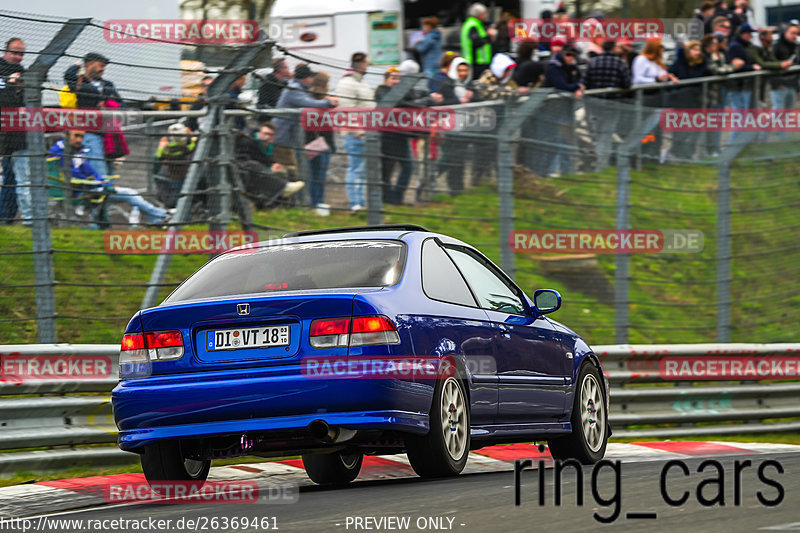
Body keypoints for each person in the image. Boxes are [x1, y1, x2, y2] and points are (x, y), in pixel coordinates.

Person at [49, 131, 170, 226]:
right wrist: (102, 185)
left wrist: (105, 184)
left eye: (82, 137)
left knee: (130, 194)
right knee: (129, 194)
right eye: (76, 136)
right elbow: (74, 175)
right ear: (67, 134)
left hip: (87, 188)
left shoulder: (76, 151)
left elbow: (89, 171)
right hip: (81, 191)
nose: (79, 140)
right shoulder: (62, 152)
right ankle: (161, 216)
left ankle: (157, 218)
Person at [273, 63, 337, 180]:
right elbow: (310, 103)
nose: (312, 80)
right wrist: (328, 102)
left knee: (292, 173)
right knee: (287, 173)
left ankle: (293, 195)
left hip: (288, 138)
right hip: (283, 138)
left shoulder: (298, 89)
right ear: (306, 78)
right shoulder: (294, 89)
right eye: (311, 77)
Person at [64, 52, 121, 179]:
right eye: (100, 65)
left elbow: (119, 101)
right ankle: (100, 189)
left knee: (110, 168)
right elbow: (68, 77)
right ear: (89, 64)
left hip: (108, 133)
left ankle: (106, 193)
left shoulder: (107, 84)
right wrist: (76, 66)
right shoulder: (80, 82)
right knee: (98, 168)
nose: (102, 69)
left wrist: (109, 105)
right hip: (89, 131)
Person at [583, 40, 632, 171]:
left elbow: (586, 82)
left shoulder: (593, 62)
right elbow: (627, 84)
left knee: (599, 133)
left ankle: (599, 160)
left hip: (596, 103)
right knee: (607, 133)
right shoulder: (620, 63)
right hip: (612, 104)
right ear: (614, 49)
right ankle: (602, 164)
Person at [334, 52, 374, 212]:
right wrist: (359, 132)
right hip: (355, 135)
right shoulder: (347, 84)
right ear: (361, 64)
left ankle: (360, 201)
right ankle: (354, 203)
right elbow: (346, 111)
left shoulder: (361, 83)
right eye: (366, 62)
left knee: (362, 170)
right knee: (355, 168)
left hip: (367, 133)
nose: (368, 65)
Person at [235, 121, 305, 209]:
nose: (267, 137)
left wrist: (274, 165)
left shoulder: (269, 146)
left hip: (261, 170)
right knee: (276, 173)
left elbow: (268, 161)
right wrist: (270, 169)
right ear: (260, 133)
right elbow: (243, 161)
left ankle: (288, 206)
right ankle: (283, 190)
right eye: (265, 134)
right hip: (249, 173)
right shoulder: (247, 142)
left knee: (289, 171)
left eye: (271, 135)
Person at [539, 44, 584, 177]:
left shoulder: (572, 67)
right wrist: (577, 86)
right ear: (563, 54)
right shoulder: (554, 67)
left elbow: (578, 79)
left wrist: (576, 87)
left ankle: (566, 172)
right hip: (550, 111)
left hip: (565, 110)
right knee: (553, 142)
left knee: (566, 141)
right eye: (568, 55)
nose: (571, 58)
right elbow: (562, 86)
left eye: (573, 56)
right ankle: (549, 172)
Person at [632, 39, 678, 162]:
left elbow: (662, 75)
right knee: (646, 128)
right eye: (661, 48)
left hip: (659, 97)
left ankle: (655, 155)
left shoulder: (657, 62)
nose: (663, 51)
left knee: (658, 128)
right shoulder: (641, 59)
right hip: (647, 97)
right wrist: (655, 80)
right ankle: (642, 155)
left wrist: (668, 77)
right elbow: (638, 79)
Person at [0, 37, 28, 225]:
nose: (18, 57)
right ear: (5, 51)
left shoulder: (24, 73)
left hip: (15, 135)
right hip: (4, 132)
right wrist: (11, 85)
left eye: (21, 53)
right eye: (15, 52)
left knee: (13, 178)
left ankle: (6, 218)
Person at [667, 41, 712, 160]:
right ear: (688, 50)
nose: (697, 52)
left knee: (694, 127)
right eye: (694, 50)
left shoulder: (703, 63)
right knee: (681, 128)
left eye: (699, 50)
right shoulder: (679, 62)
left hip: (695, 99)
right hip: (680, 99)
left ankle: (689, 153)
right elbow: (670, 72)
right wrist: (672, 77)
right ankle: (676, 152)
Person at [305, 71, 335, 209]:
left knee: (321, 175)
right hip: (316, 144)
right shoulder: (315, 102)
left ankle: (319, 202)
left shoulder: (325, 101)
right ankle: (315, 202)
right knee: (316, 175)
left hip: (325, 143)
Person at [702, 34, 734, 156]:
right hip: (709, 96)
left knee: (718, 123)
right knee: (709, 124)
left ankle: (716, 147)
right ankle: (707, 150)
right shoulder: (706, 57)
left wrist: (728, 67)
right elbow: (718, 71)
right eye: (714, 43)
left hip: (720, 94)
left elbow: (725, 68)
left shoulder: (720, 55)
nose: (716, 46)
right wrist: (733, 67)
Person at [771, 22, 800, 136]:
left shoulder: (796, 47)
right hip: (780, 85)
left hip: (792, 84)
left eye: (796, 33)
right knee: (778, 111)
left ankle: (781, 137)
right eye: (792, 33)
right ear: (785, 33)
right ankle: (763, 132)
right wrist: (777, 83)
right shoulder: (777, 47)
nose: (795, 36)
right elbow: (771, 66)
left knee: (787, 113)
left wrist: (798, 89)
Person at [461, 3, 497, 79]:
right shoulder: (473, 25)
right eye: (484, 13)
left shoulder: (472, 23)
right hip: (477, 61)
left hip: (475, 61)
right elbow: (476, 42)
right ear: (479, 14)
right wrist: (489, 37)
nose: (485, 15)